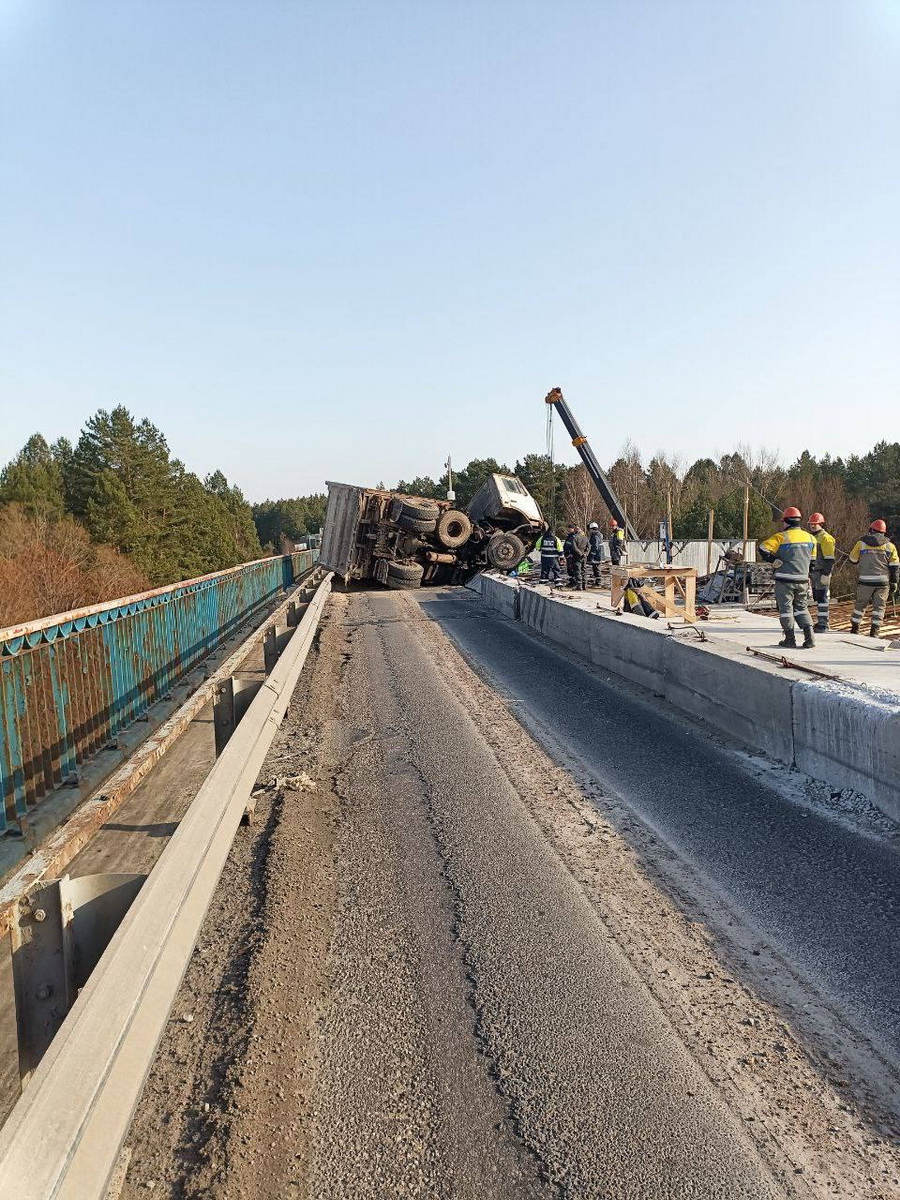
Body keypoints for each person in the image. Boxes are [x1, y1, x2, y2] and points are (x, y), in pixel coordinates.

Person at [758, 507, 816, 649]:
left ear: (786, 521)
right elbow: (813, 562)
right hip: (802, 580)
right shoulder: (811, 538)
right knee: (802, 608)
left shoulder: (781, 537)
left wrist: (772, 560)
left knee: (786, 610)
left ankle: (790, 639)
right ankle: (810, 638)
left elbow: (763, 548)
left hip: (784, 580)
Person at [848, 519, 900, 637]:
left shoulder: (861, 544)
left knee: (860, 606)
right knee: (879, 608)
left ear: (871, 530)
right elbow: (895, 566)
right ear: (883, 532)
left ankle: (855, 629)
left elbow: (853, 560)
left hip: (865, 581)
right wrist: (894, 582)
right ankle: (874, 632)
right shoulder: (890, 546)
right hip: (882, 582)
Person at [587, 521, 605, 586]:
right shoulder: (599, 534)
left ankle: (598, 583)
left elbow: (595, 547)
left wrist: (591, 556)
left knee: (597, 569)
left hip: (597, 555)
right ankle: (597, 582)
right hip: (599, 554)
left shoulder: (595, 536)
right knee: (596, 568)